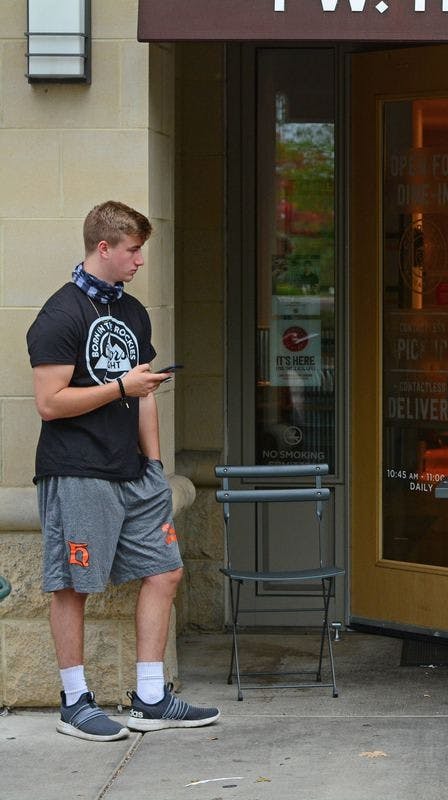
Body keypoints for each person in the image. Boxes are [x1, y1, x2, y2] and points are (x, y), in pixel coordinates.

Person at [27, 201, 220, 741]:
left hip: (135, 474)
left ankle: (151, 699)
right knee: (73, 584)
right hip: (78, 471)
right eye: (133, 250)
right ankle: (74, 702)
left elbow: (145, 395)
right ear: (103, 247)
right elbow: (49, 403)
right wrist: (119, 388)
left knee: (166, 571)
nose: (139, 261)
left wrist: (155, 465)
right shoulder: (60, 314)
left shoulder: (133, 312)